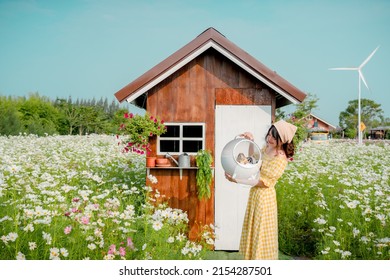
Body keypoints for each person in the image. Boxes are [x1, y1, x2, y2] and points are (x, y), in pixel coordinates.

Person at [225, 120, 297, 260]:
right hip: (255, 194)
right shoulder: (267, 148)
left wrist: (237, 180)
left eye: (273, 137)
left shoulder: (280, 159)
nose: (269, 139)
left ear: (282, 140)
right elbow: (255, 159)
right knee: (253, 228)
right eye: (269, 134)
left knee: (261, 231)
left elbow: (262, 182)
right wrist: (251, 142)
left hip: (265, 198)